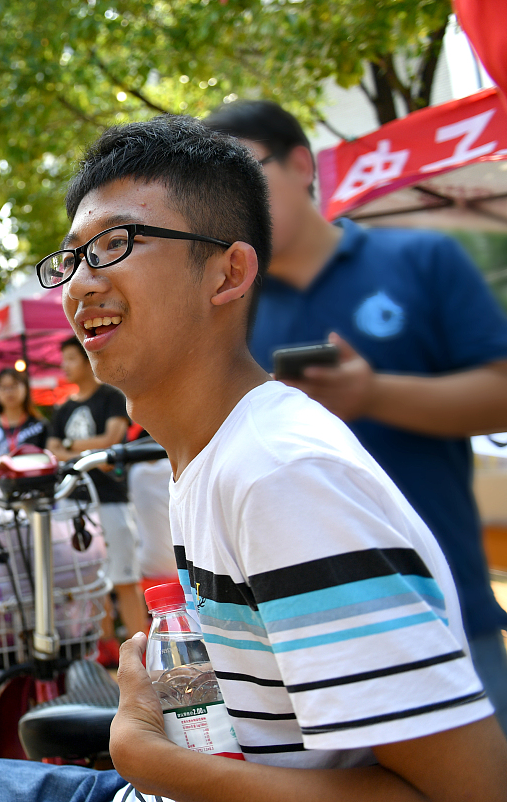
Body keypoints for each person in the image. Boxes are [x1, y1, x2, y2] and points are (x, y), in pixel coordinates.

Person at [0, 117, 507, 802]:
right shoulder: (206, 454)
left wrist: (150, 758)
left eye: (115, 243)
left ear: (228, 272)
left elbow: (467, 792)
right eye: (71, 257)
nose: (79, 285)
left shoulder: (281, 475)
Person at [205, 99, 507, 732]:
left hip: (445, 609)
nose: (239, 205)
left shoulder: (423, 261)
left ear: (301, 165)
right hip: (297, 637)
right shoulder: (231, 313)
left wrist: (373, 397)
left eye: (249, 176)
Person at [47, 335, 148, 642]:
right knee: (90, 580)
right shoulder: (62, 409)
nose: (65, 366)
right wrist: (91, 452)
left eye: (71, 359)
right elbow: (53, 450)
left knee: (124, 578)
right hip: (74, 504)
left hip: (111, 501)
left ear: (87, 358)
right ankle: (106, 648)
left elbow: (112, 442)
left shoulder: (111, 396)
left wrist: (71, 448)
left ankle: (144, 650)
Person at [0, 368, 50, 473]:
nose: (9, 392)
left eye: (14, 386)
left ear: (25, 388)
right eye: (3, 387)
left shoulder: (39, 425)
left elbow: (49, 458)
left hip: (33, 483)